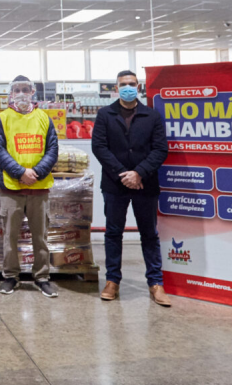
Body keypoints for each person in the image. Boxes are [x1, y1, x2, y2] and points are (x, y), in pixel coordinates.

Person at [91, 70, 170, 307]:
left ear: (139, 87)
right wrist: (123, 174)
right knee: (113, 233)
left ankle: (155, 283)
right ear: (116, 89)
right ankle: (112, 281)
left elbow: (160, 149)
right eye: (123, 84)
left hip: (145, 184)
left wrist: (139, 173)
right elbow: (99, 147)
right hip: (115, 184)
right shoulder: (105, 114)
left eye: (132, 84)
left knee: (149, 234)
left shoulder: (152, 115)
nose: (128, 87)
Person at [0, 75, 59, 297]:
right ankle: (11, 276)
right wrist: (20, 172)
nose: (21, 93)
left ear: (32, 92)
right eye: (17, 89)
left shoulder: (44, 118)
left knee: (40, 236)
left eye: (25, 89)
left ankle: (42, 277)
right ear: (11, 93)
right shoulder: (2, 118)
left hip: (39, 187)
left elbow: (52, 150)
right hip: (11, 187)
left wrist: (37, 172)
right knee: (10, 236)